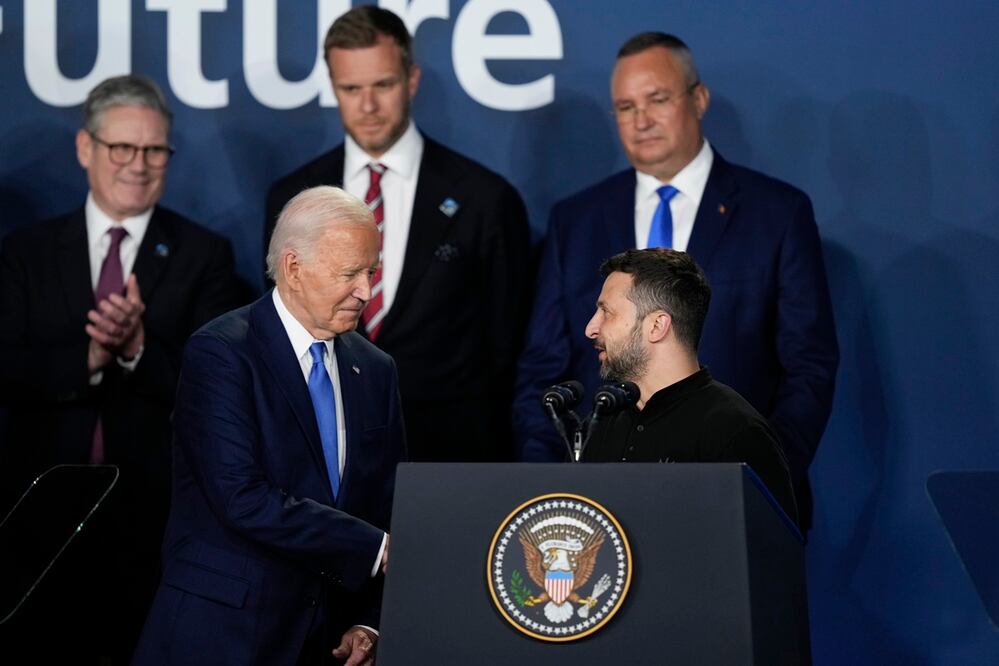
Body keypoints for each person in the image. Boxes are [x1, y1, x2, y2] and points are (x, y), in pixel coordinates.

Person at [515, 32, 837, 530]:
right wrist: (555, 493)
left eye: (657, 99)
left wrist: (759, 479)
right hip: (596, 509)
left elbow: (809, 364)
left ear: (699, 99)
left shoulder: (777, 213)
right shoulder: (575, 220)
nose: (641, 120)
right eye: (625, 106)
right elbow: (542, 367)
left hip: (741, 505)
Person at [0, 74, 243, 664]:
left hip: (154, 521)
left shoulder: (204, 255)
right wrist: (86, 359)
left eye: (155, 149)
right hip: (38, 517)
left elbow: (220, 389)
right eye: (122, 148)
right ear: (86, 148)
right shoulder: (24, 253)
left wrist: (137, 348)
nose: (139, 164)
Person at [133, 186, 406, 666]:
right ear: (293, 269)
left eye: (371, 271)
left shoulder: (376, 369)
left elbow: (387, 503)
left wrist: (369, 618)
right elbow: (242, 497)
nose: (366, 290)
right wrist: (375, 548)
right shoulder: (222, 353)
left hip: (324, 644)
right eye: (350, 274)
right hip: (224, 637)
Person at [266, 6, 531, 463]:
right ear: (333, 88)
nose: (367, 105)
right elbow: (280, 331)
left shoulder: (486, 199)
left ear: (411, 80)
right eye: (351, 88)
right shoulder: (292, 197)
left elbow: (507, 348)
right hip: (325, 459)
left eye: (382, 85)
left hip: (450, 458)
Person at [580, 248, 797, 521]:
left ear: (657, 325)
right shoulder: (599, 425)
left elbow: (767, 554)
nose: (591, 328)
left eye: (606, 312)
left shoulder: (735, 431)